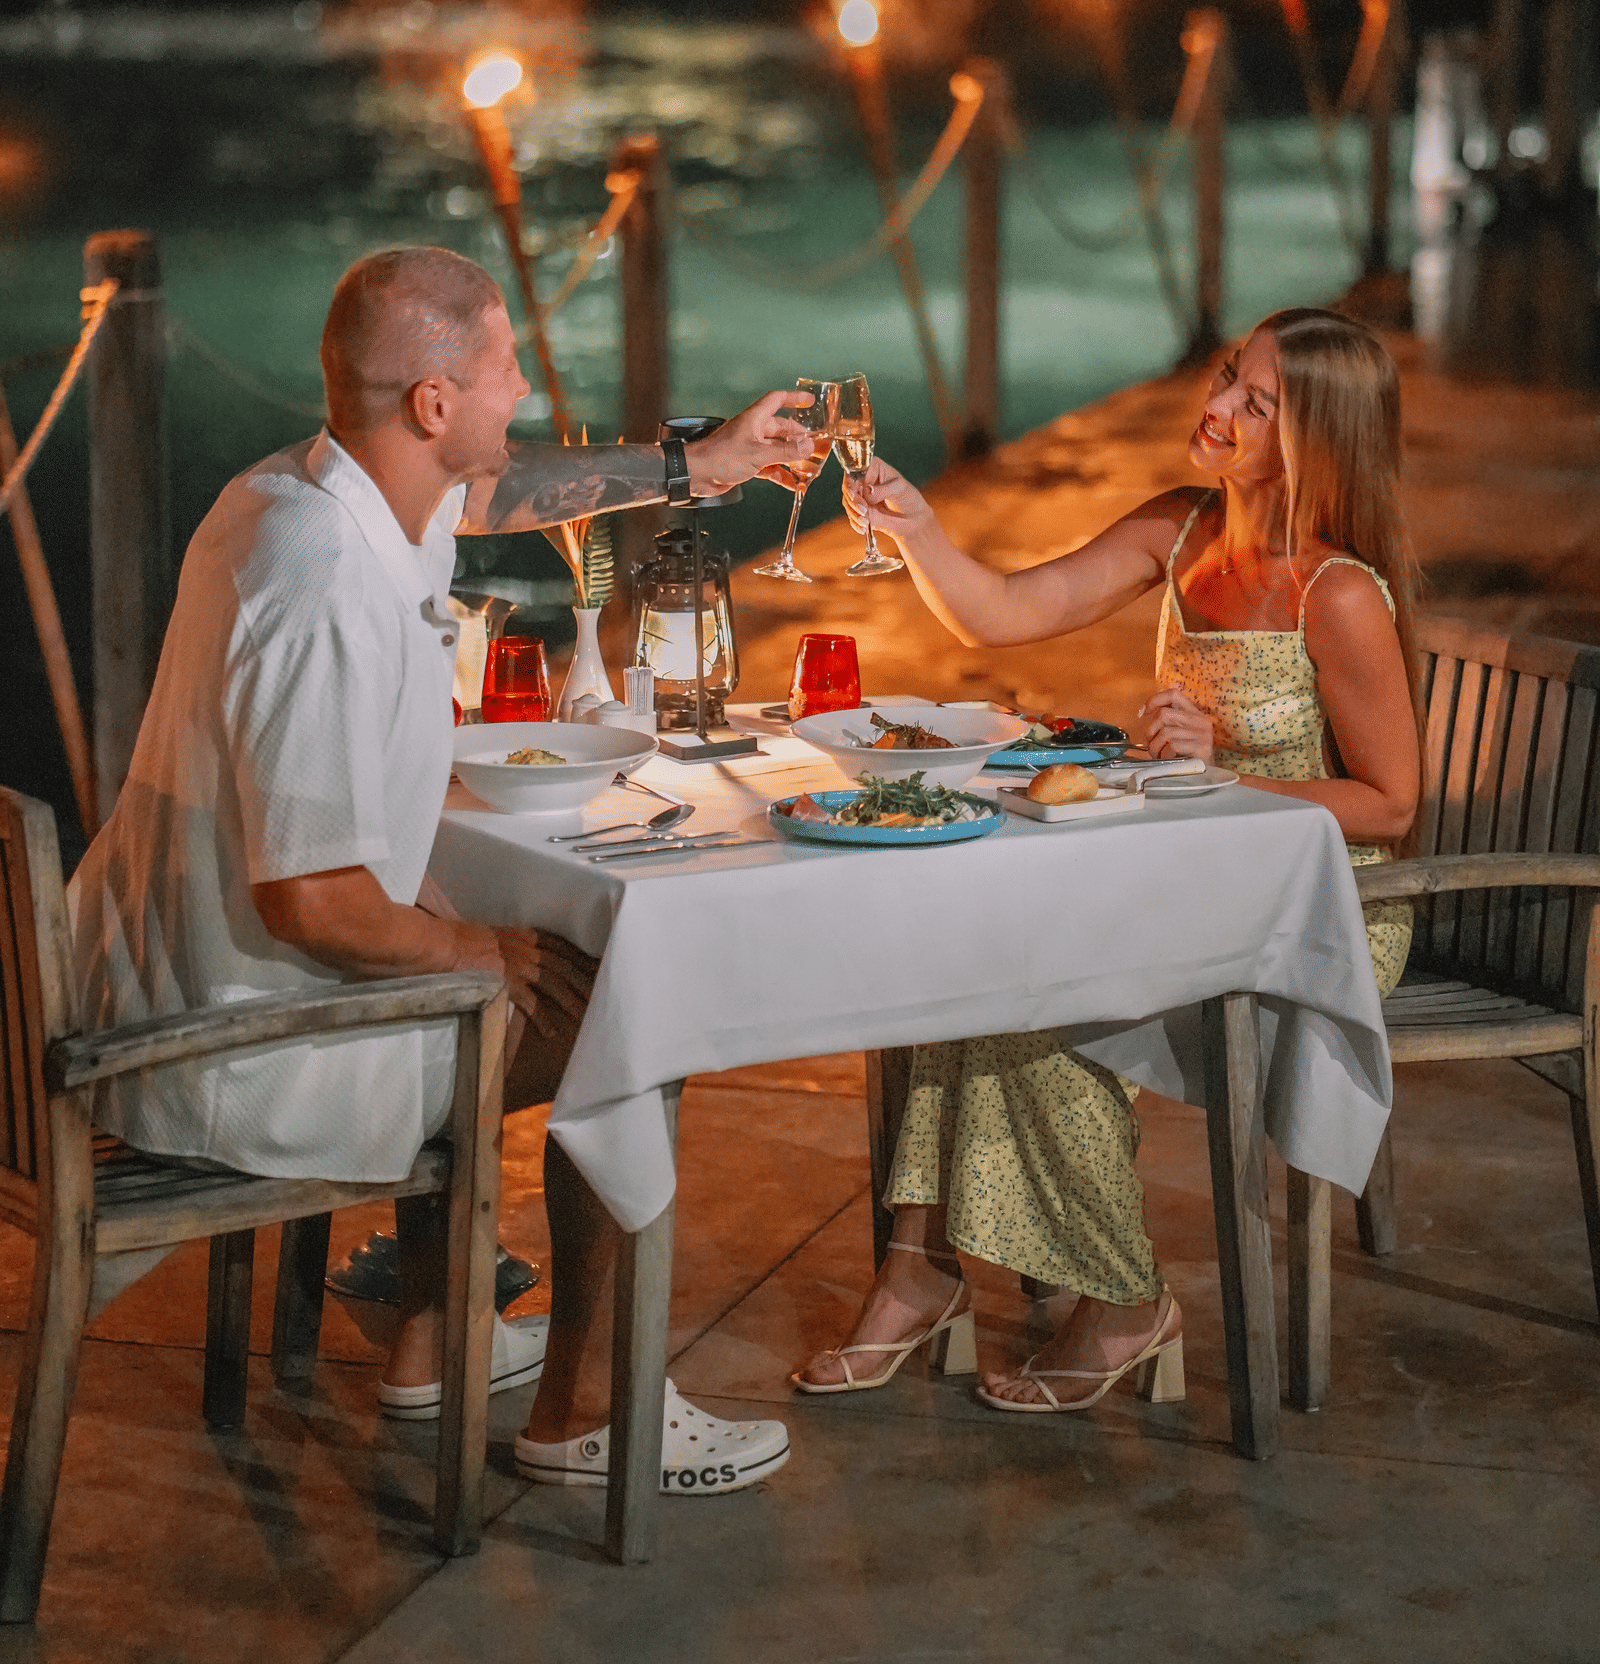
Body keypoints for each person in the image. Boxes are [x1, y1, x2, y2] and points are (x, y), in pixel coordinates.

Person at [69, 245, 810, 1491]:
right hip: (232, 1043)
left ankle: (433, 1327)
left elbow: (504, 493)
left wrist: (703, 460)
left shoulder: (303, 492)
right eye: (503, 369)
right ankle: (588, 1406)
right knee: (615, 1004)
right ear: (430, 404)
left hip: (161, 975)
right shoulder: (323, 580)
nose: (519, 390)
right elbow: (310, 897)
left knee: (484, 919)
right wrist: (480, 954)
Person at [793, 307, 1421, 1412]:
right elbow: (1005, 610)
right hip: (1193, 877)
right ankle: (916, 1269)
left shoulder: (1338, 593)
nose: (1216, 406)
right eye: (1228, 377)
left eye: (1254, 403)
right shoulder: (1182, 531)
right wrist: (918, 527)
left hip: (1316, 909)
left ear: (1313, 439)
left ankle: (1122, 1300)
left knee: (1030, 987)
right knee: (963, 948)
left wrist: (1223, 771)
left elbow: (1390, 803)